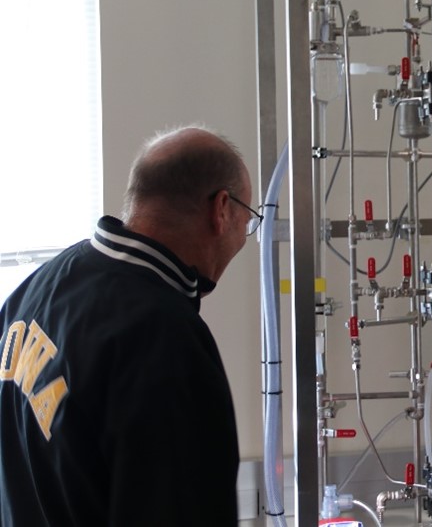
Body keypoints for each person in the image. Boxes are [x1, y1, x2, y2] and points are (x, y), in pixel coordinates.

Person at [0, 125, 257, 526]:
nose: (244, 236)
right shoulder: (165, 342)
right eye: (249, 218)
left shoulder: (44, 284)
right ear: (221, 209)